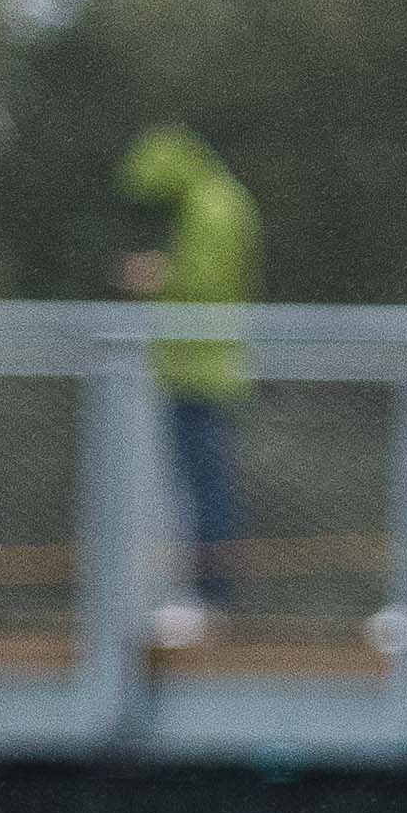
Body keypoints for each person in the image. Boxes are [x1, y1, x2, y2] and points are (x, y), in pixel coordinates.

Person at [117, 126, 257, 637]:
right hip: (200, 367)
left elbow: (203, 284)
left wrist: (156, 278)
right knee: (200, 483)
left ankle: (209, 598)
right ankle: (205, 595)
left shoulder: (211, 208)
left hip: (200, 369)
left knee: (203, 485)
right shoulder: (222, 201)